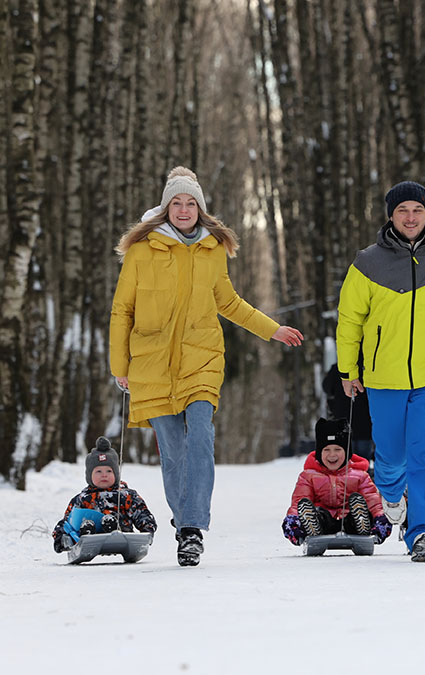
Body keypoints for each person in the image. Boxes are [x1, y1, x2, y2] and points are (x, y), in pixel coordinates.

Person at [109, 167, 303, 566]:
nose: (184, 209)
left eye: (190, 203)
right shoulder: (142, 250)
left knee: (200, 435)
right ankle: (184, 524)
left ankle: (193, 528)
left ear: (200, 208)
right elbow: (122, 310)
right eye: (176, 203)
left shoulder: (212, 249)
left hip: (202, 357)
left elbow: (228, 302)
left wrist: (273, 329)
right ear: (166, 208)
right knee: (174, 453)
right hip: (152, 362)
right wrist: (120, 365)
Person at [336, 180, 425, 562]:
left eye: (417, 210)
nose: (410, 217)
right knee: (392, 456)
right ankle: (393, 493)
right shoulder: (367, 262)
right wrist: (348, 369)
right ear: (391, 215)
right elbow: (350, 319)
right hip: (383, 376)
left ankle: (423, 532)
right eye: (403, 210)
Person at [281, 418, 392, 545]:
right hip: (323, 523)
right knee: (316, 512)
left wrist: (380, 518)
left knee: (359, 506)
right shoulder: (309, 476)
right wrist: (293, 520)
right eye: (326, 450)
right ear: (319, 453)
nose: (332, 455)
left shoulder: (360, 475)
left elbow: (373, 502)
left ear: (347, 452)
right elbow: (298, 501)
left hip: (351, 520)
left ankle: (361, 521)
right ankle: (312, 525)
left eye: (338, 449)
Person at [52, 437, 158, 553]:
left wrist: (147, 529)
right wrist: (60, 537)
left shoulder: (125, 495)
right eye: (98, 471)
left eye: (109, 471)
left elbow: (140, 512)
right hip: (92, 539)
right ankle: (87, 534)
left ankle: (112, 528)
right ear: (89, 475)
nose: (104, 475)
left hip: (122, 536)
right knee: (86, 524)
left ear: (116, 474)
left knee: (111, 522)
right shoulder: (83, 498)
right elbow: (68, 520)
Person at [322, 361, 373, 462]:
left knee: (346, 457)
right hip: (364, 421)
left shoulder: (338, 368)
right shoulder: (368, 368)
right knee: (363, 459)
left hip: (343, 419)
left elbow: (327, 387)